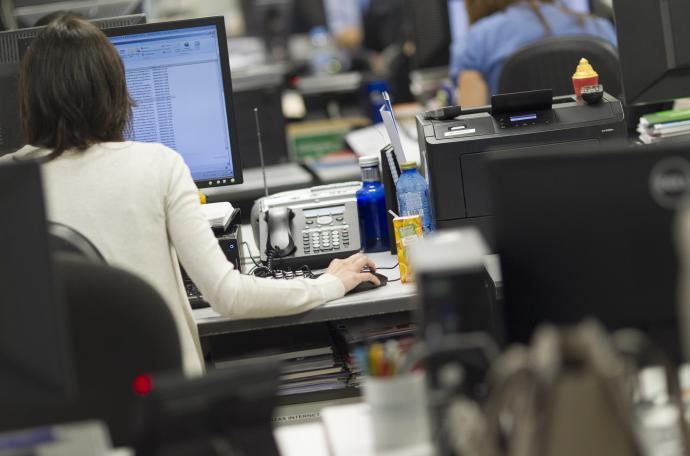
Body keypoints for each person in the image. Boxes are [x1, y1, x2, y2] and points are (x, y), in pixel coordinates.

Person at [2, 13, 381, 377]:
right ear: (115, 92)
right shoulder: (157, 164)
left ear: (30, 99)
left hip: (56, 423)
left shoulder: (8, 180)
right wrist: (328, 283)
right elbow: (229, 296)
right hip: (159, 402)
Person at [451, 0, 617, 107]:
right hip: (601, 153)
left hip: (520, 157)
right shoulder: (599, 27)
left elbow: (472, 124)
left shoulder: (476, 40)